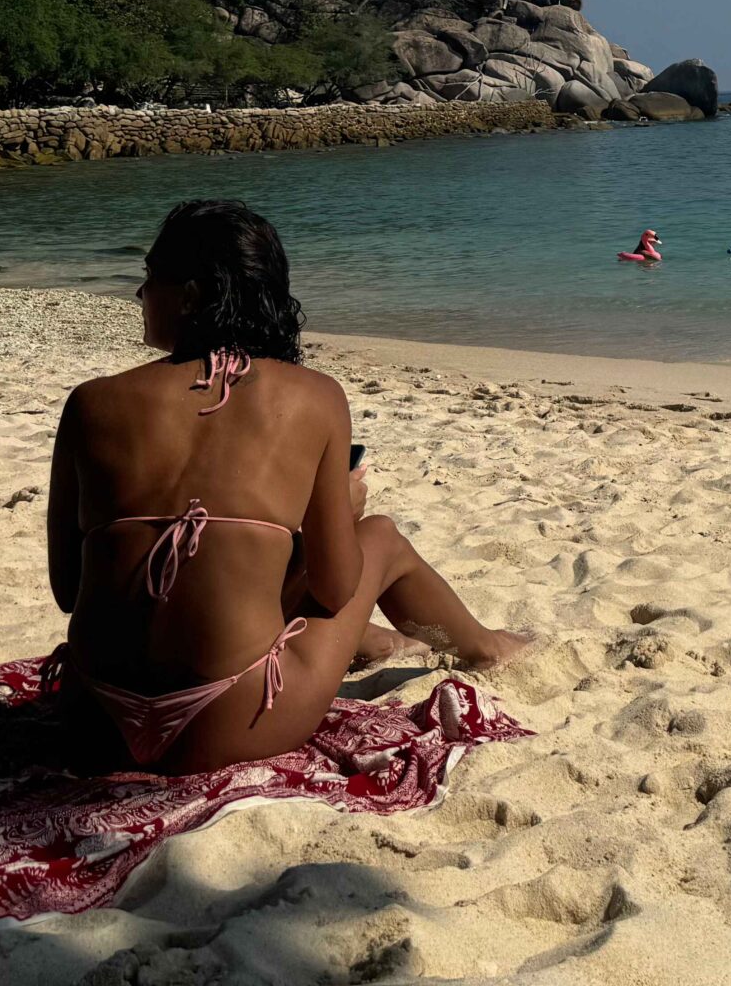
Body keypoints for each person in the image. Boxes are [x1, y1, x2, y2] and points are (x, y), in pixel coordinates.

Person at [46, 200, 528, 774]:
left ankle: (373, 642)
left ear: (194, 294)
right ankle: (485, 648)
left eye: (152, 277)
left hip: (93, 721)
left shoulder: (90, 402)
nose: (139, 294)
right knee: (380, 537)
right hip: (233, 721)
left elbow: (69, 591)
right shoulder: (314, 396)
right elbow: (331, 587)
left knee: (248, 552)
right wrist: (344, 516)